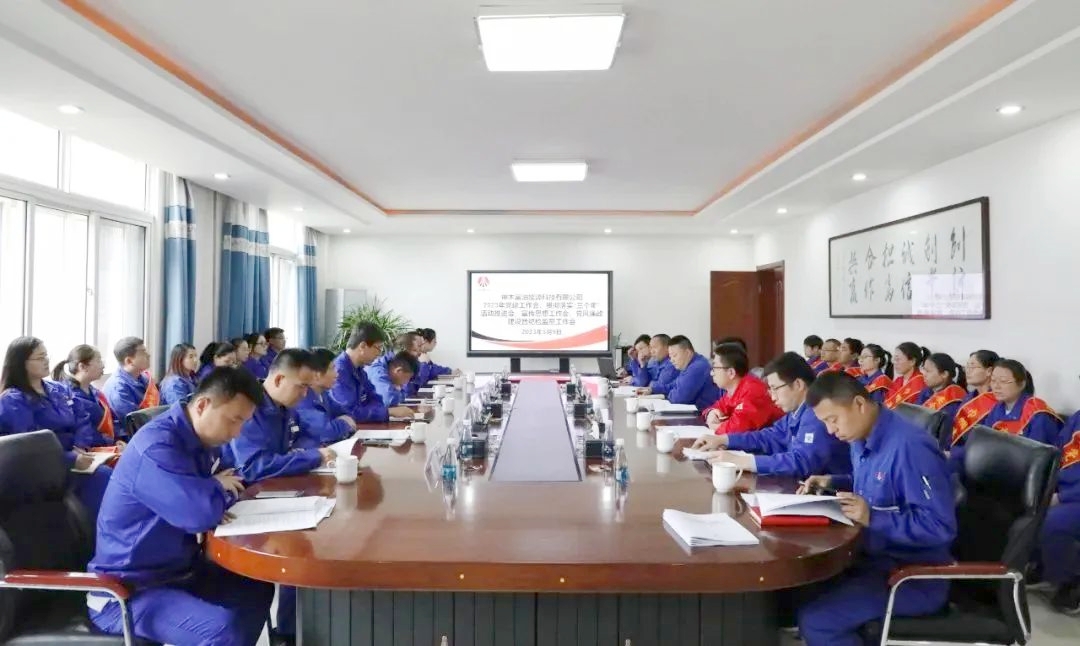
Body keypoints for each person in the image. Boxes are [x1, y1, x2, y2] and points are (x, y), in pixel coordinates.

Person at [86, 367, 274, 645]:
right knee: (222, 632)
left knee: (257, 587)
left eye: (243, 423)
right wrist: (214, 488)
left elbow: (237, 481)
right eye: (233, 420)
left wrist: (212, 490)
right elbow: (199, 514)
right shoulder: (157, 447)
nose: (237, 433)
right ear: (202, 405)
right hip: (128, 590)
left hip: (178, 571)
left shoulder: (202, 440)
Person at [795, 372, 956, 646]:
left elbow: (940, 527)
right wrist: (833, 482)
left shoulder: (910, 448)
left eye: (833, 420)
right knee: (796, 590)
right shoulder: (861, 435)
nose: (831, 431)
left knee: (818, 622)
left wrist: (873, 517)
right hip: (870, 559)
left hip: (911, 576)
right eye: (824, 423)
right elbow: (877, 485)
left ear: (859, 404)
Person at [0, 337, 112, 519]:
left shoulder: (59, 389)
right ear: (21, 363)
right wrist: (70, 458)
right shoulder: (13, 400)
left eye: (46, 355)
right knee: (102, 476)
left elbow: (82, 419)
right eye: (40, 357)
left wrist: (80, 446)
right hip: (43, 466)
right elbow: (31, 443)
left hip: (77, 454)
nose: (46, 361)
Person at [691, 352, 851, 479]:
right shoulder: (796, 411)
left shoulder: (817, 413)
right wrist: (724, 440)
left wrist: (744, 461)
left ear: (798, 385)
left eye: (775, 388)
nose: (772, 397)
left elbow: (802, 462)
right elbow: (769, 436)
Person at [228, 349, 336, 483]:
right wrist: (312, 456)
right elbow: (253, 467)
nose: (304, 394)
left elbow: (306, 435)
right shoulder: (248, 408)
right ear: (279, 380)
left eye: (308, 387)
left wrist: (305, 451)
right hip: (247, 489)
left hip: (277, 483)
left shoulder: (285, 406)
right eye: (302, 386)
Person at [950, 358, 1062, 471]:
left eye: (1003, 381)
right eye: (993, 380)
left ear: (1021, 384)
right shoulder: (998, 408)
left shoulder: (1038, 414)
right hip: (996, 462)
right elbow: (983, 442)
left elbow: (1038, 458)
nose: (996, 386)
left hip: (1021, 470)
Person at [1036, 415, 1080, 613]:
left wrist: (1062, 497)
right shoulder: (1077, 418)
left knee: (1053, 522)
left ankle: (1070, 581)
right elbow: (1057, 450)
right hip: (1063, 488)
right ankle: (1043, 568)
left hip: (1074, 496)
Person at [330, 323, 413, 422]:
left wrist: (375, 411)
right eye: (378, 347)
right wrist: (387, 412)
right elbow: (349, 412)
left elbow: (376, 400)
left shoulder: (360, 371)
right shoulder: (338, 372)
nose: (379, 353)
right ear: (363, 346)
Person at [52, 344, 124, 451]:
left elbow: (113, 419)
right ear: (82, 367)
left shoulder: (95, 392)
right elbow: (85, 432)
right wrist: (111, 442)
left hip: (108, 445)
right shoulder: (69, 398)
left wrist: (118, 439)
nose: (103, 366)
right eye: (98, 361)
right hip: (89, 450)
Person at [700, 344, 783, 435]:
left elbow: (736, 430)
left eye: (714, 368)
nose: (711, 373)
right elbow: (715, 407)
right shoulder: (734, 390)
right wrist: (710, 413)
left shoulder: (752, 391)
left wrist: (714, 426)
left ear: (731, 373)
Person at [294, 348, 356, 449]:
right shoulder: (303, 399)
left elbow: (346, 413)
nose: (336, 374)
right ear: (317, 375)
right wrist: (345, 424)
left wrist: (341, 422)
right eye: (332, 369)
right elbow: (325, 432)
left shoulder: (323, 394)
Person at [640, 335, 719, 410]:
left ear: (687, 352)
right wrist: (652, 389)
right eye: (670, 357)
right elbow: (674, 385)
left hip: (702, 414)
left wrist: (664, 394)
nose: (672, 360)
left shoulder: (697, 367)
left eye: (674, 355)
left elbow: (678, 399)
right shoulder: (688, 364)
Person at [916, 353, 968, 452]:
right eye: (924, 370)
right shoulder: (926, 391)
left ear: (944, 374)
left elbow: (946, 438)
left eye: (928, 371)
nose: (924, 374)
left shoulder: (955, 400)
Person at [103, 337, 159, 424]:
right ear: (129, 361)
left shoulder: (144, 378)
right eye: (143, 352)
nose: (148, 355)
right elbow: (135, 422)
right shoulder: (118, 388)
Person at [885, 342, 928, 408]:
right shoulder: (898, 381)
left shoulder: (921, 383)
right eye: (894, 359)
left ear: (912, 361)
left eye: (898, 359)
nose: (894, 363)